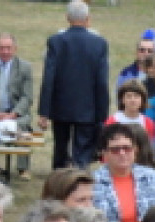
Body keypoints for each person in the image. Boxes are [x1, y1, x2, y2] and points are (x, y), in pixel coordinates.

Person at [39, 1, 109, 170]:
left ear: (67, 18)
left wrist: (44, 112)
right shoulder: (99, 43)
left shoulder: (55, 41)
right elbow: (102, 81)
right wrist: (102, 113)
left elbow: (49, 78)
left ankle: (59, 178)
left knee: (60, 148)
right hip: (88, 106)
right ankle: (79, 178)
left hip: (61, 105)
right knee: (82, 152)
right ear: (87, 18)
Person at [92, 123, 155, 222]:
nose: (122, 153)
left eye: (127, 148)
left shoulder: (153, 177)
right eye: (115, 150)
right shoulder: (92, 182)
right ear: (104, 153)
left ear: (135, 150)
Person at [0, 33, 33, 180]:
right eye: (1, 48)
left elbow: (27, 97)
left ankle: (23, 168)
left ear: (15, 48)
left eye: (8, 48)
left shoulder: (25, 67)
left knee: (23, 126)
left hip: (15, 112)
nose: (5, 51)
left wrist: (13, 114)